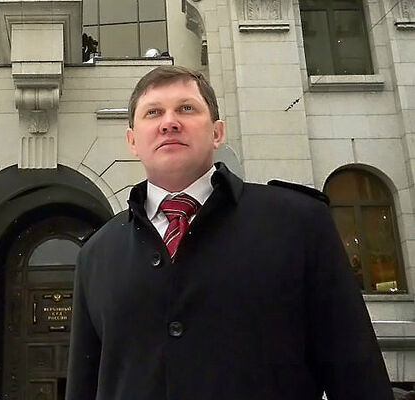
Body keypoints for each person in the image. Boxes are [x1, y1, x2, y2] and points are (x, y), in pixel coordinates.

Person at [66, 66, 393, 399]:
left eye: (186, 108)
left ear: (217, 132)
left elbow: (357, 374)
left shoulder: (298, 223)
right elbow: (84, 384)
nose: (169, 122)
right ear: (133, 141)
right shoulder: (97, 254)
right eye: (153, 113)